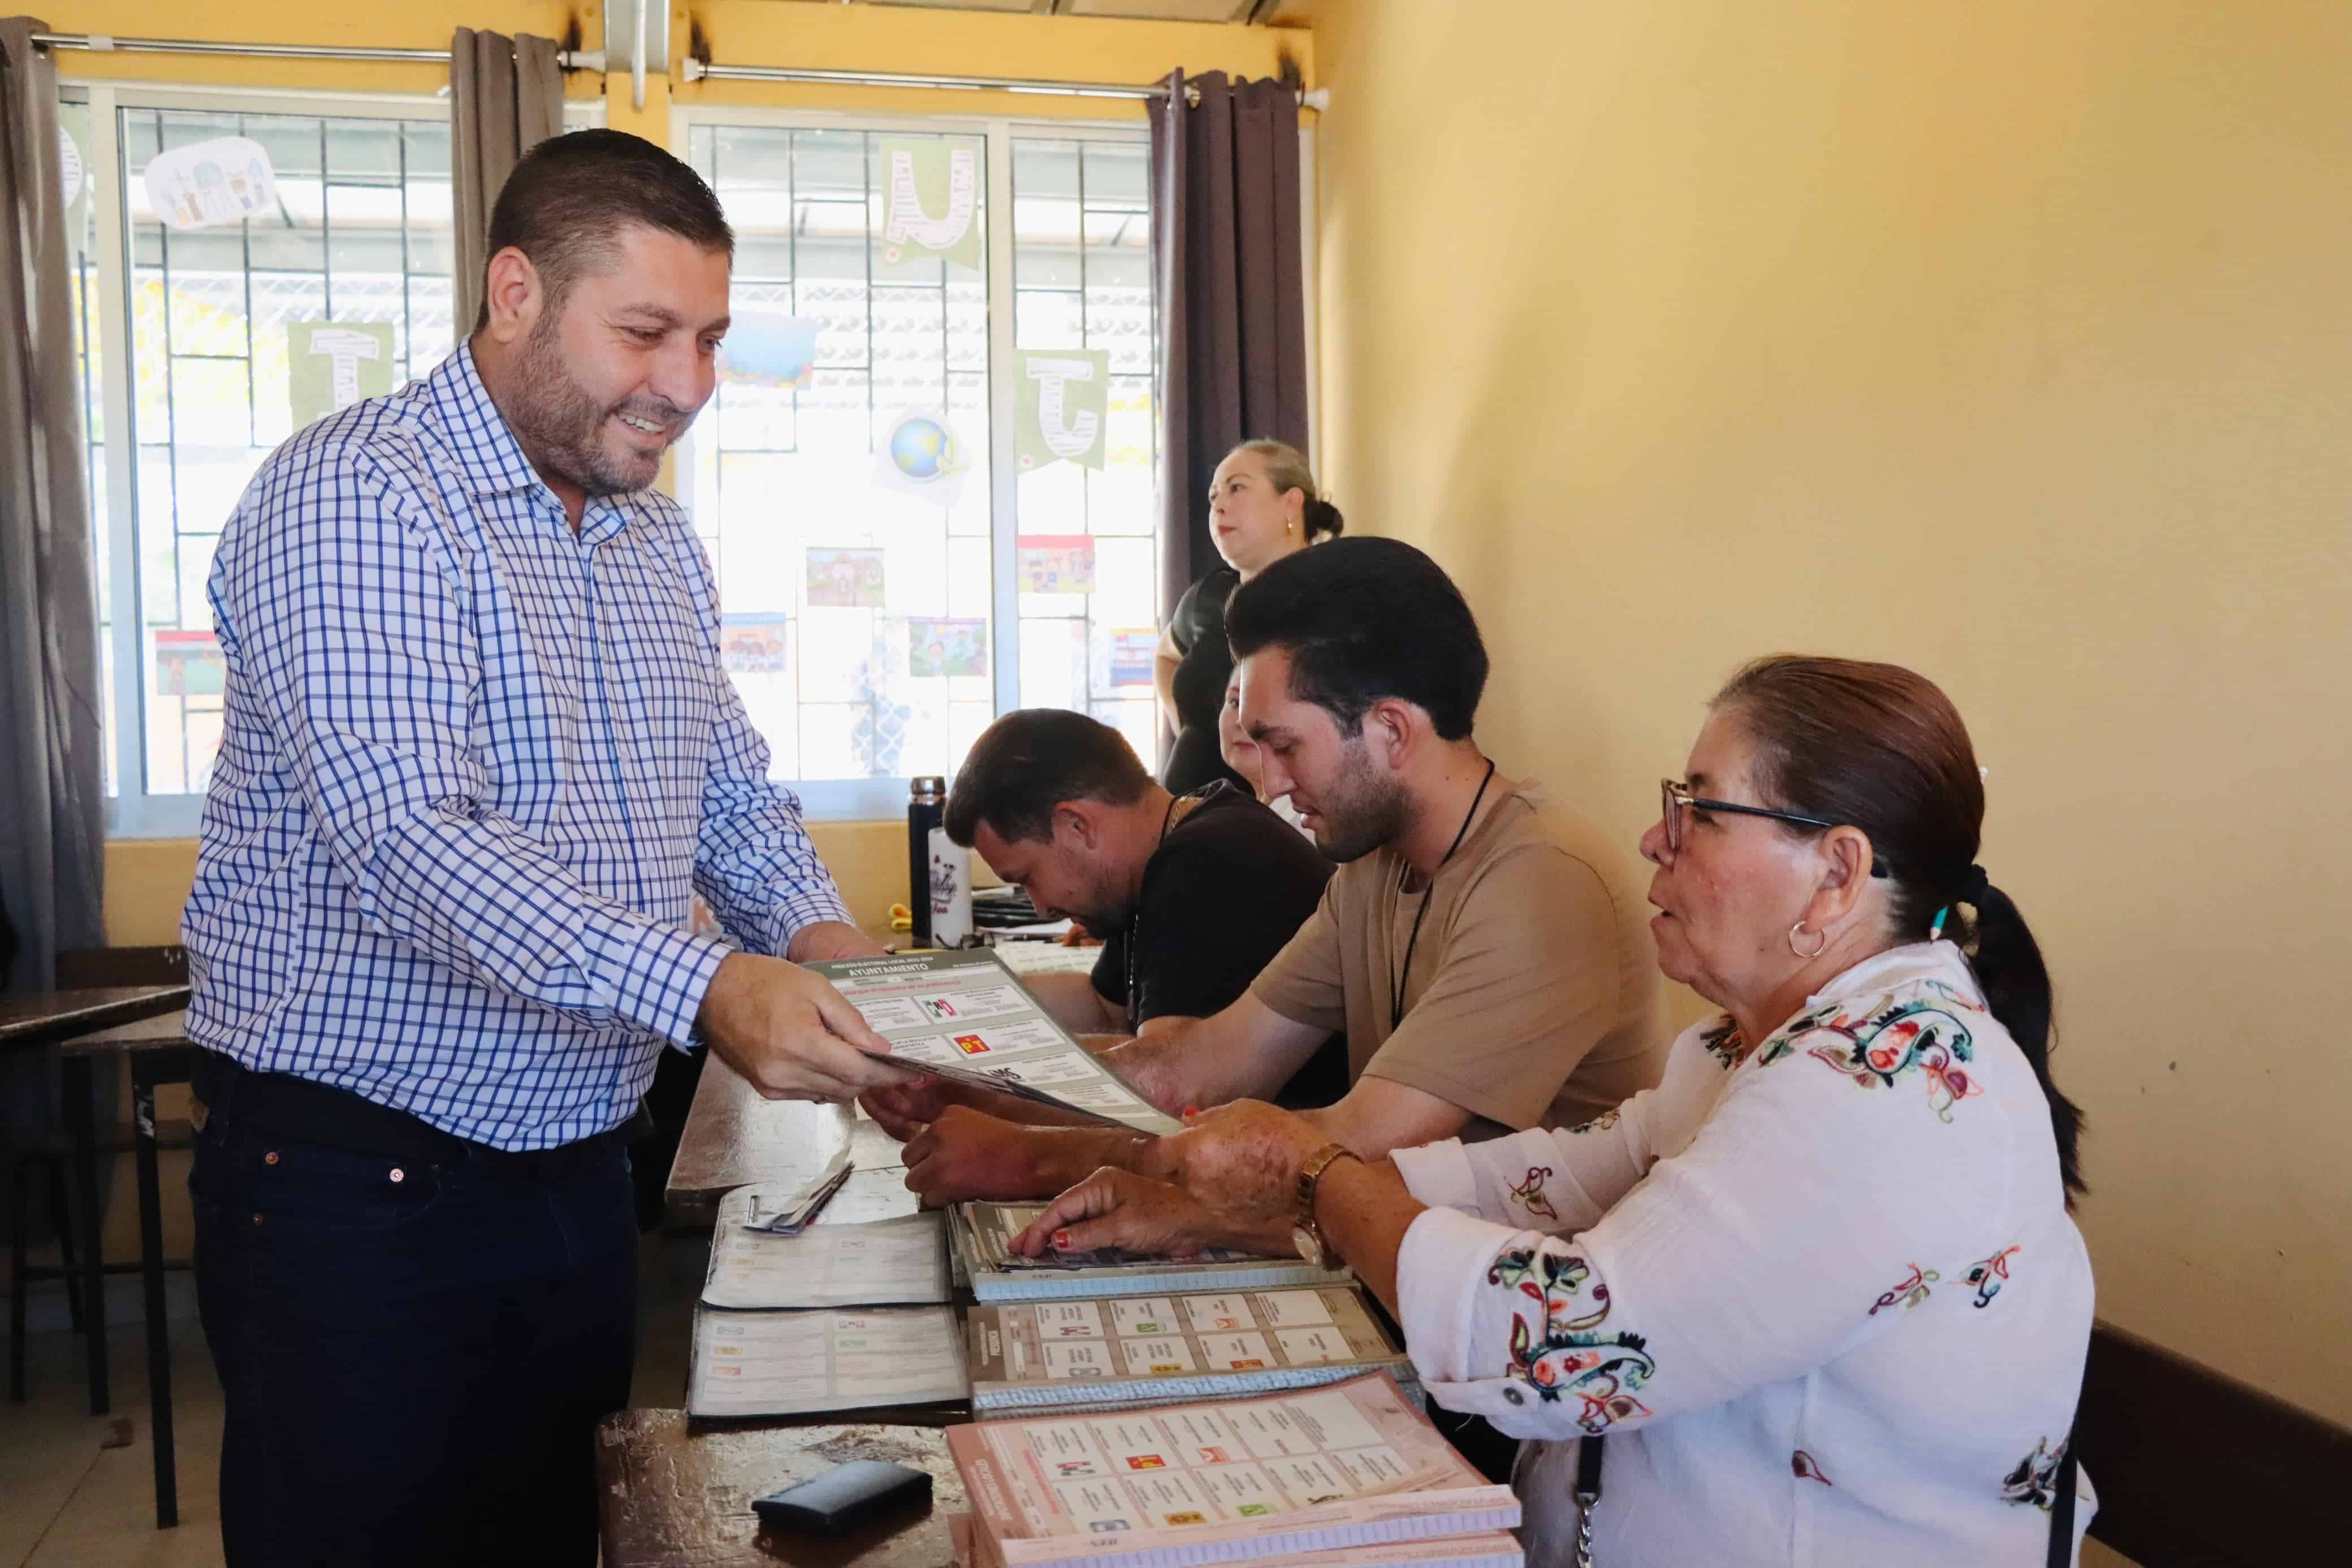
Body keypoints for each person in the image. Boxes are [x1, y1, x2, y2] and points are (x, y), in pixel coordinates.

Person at [179, 130, 913, 1568]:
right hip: (363, 1192)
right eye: (643, 333)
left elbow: (727, 794)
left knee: (551, 1538)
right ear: (514, 292)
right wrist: (712, 987)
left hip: (577, 1168)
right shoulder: (363, 497)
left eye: (706, 339)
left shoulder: (652, 544)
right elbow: (410, 841)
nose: (687, 386)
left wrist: (834, 952)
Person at [1021, 655, 2095, 1568]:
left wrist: (1311, 1170)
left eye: (1700, 809)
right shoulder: (1748, 1047)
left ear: (1835, 872)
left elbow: (1571, 1341)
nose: (1653, 837)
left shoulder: (1881, 1084)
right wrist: (1225, 1203)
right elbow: (1539, 1180)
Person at [867, 538, 1668, 1216]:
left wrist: (1030, 1158)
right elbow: (1201, 1063)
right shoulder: (1370, 872)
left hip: (1522, 1343)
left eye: (1285, 746)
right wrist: (961, 1087)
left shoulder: (1542, 884)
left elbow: (1349, 1146)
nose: (1273, 784)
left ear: (1390, 728)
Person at [929, 708, 1346, 1144]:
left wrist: (965, 1080)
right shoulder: (1162, 850)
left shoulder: (1208, 861)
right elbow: (1103, 1006)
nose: (1040, 907)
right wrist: (953, 1004)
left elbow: (1163, 1089)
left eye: (1027, 878)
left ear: (1076, 825)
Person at [1155, 439, 1343, 795]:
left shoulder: (1333, 599)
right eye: (1213, 497)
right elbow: (1165, 655)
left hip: (1286, 826)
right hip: (1190, 821)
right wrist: (1187, 728)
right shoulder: (1207, 596)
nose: (1219, 506)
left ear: (1291, 501)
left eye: (1236, 488)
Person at [1218, 663, 1311, 835]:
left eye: (1266, 706)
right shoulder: (1258, 813)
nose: (1242, 722)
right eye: (1236, 703)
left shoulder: (1305, 825)